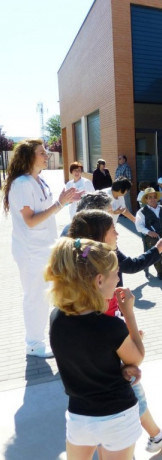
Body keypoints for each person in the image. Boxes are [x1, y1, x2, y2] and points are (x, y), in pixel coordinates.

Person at [68, 211, 162, 453]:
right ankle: (153, 436)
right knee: (130, 388)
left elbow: (130, 265)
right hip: (106, 336)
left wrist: (158, 250)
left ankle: (154, 435)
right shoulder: (84, 260)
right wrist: (125, 335)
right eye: (113, 230)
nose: (118, 233)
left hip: (113, 330)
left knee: (131, 387)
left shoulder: (98, 253)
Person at [46, 237, 144, 460]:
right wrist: (128, 312)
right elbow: (136, 357)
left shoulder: (56, 318)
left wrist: (117, 368)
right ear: (99, 280)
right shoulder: (111, 327)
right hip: (117, 416)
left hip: (79, 416)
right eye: (115, 273)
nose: (118, 279)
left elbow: (85, 357)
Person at [3, 139, 82, 358]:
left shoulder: (40, 181)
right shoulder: (21, 185)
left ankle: (58, 335)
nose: (47, 155)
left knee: (55, 292)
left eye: (46, 152)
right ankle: (34, 344)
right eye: (42, 152)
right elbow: (30, 220)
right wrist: (60, 204)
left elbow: (46, 210)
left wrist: (66, 201)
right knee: (35, 297)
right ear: (29, 157)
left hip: (45, 248)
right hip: (30, 251)